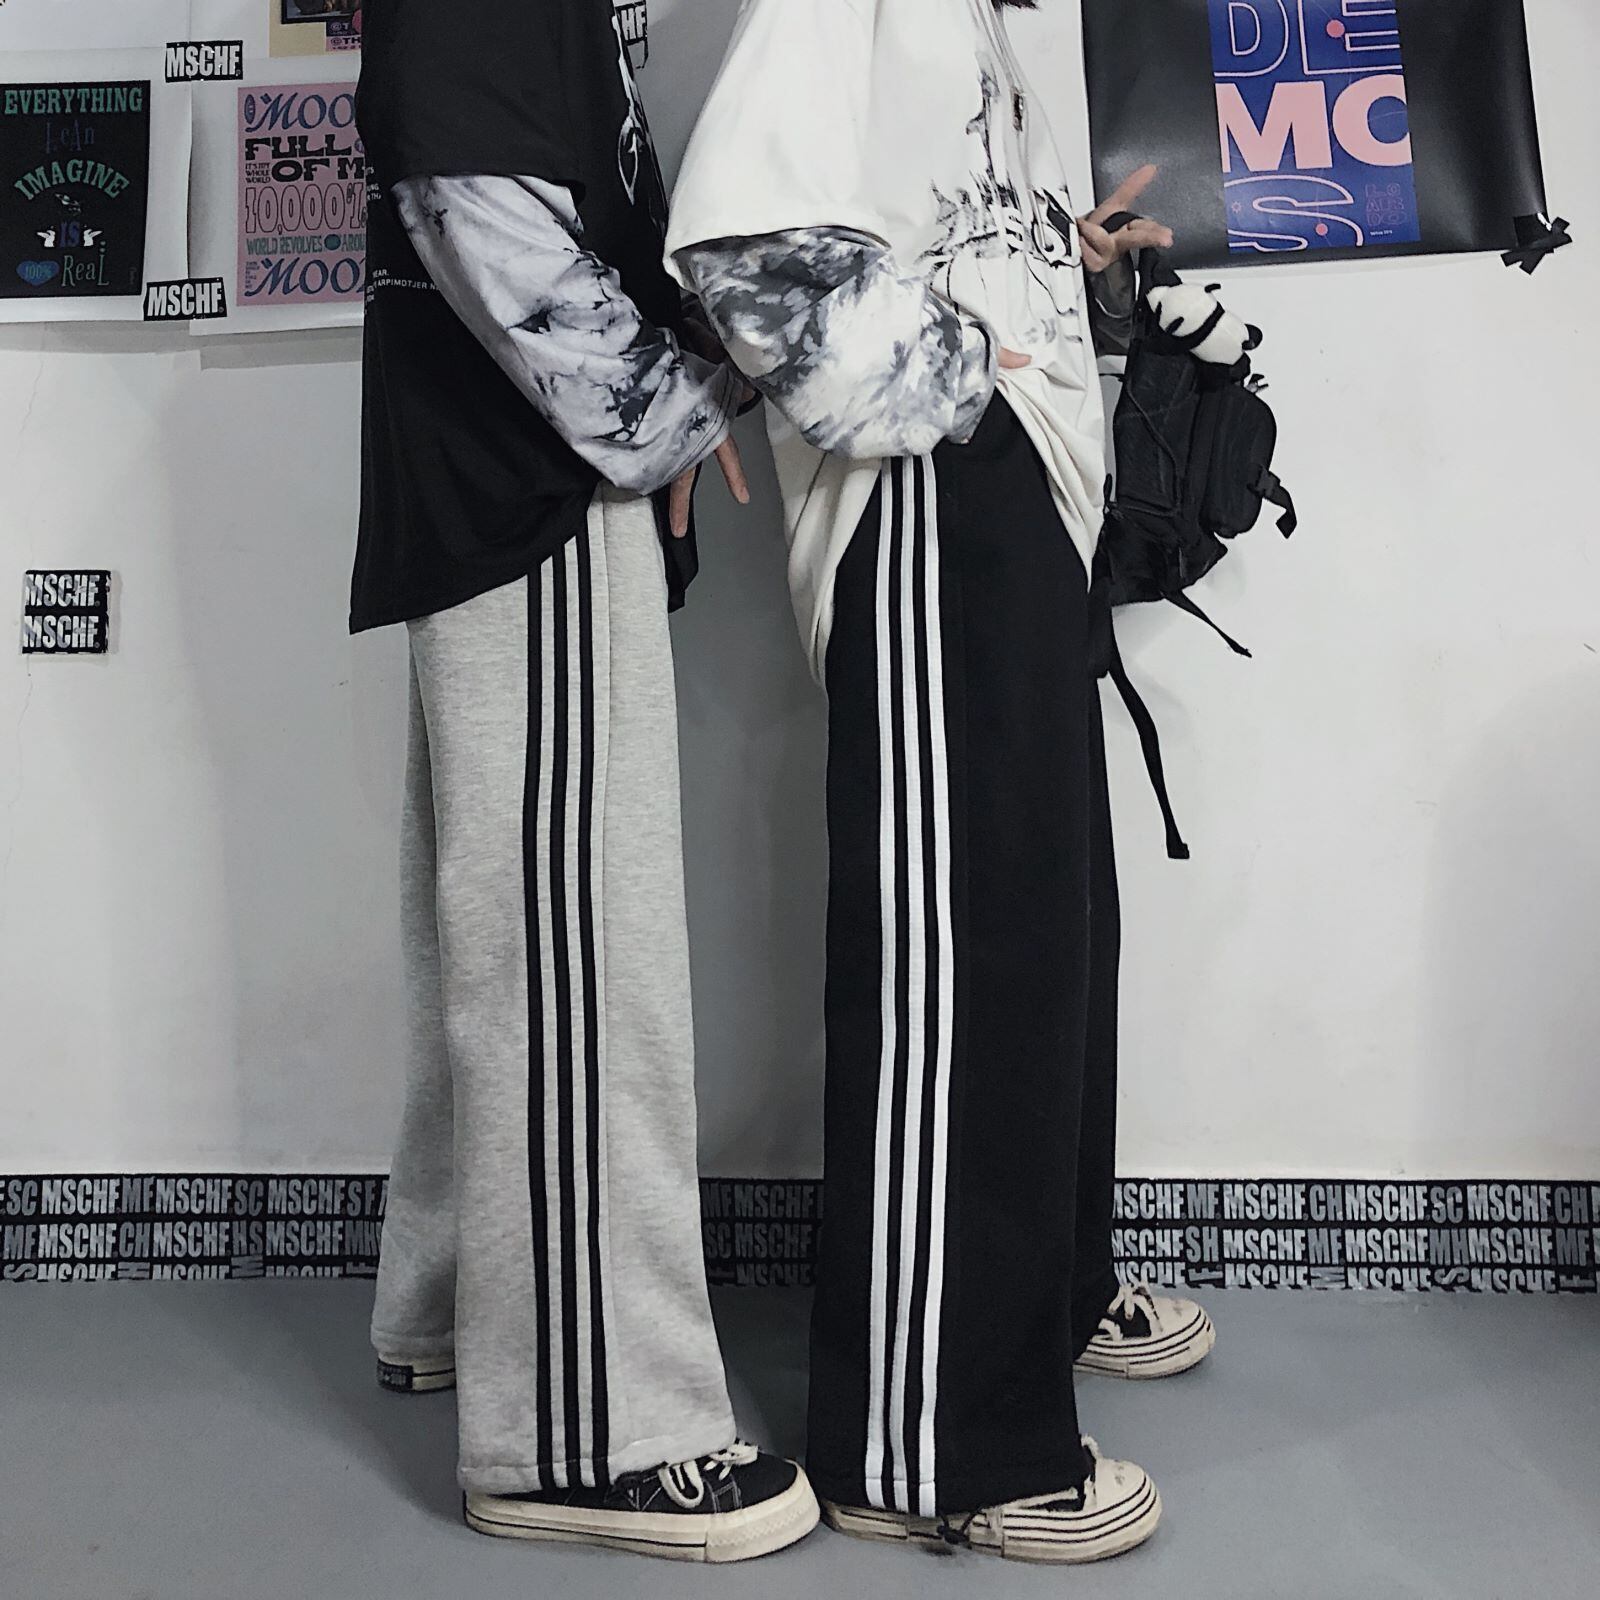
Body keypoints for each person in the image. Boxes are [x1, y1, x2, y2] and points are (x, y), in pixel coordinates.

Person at [668, 0, 1215, 1563]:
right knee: (961, 955)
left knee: (1053, 923)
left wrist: (1063, 277)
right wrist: (957, 387)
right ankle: (930, 1439)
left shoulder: (992, 23)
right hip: (929, 495)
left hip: (1023, 495)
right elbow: (743, 237)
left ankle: (1037, 1293)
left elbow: (936, 232)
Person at [350, 0, 818, 1562]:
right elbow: (478, 208)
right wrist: (668, 418)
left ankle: (452, 1303)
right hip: (526, 498)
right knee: (573, 964)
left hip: (508, 491)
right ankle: (587, 1430)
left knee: (502, 932)